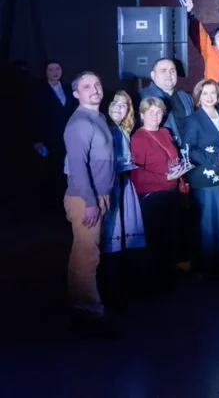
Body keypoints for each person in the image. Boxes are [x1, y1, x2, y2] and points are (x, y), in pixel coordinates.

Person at [63, 72, 115, 331]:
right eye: (86, 87)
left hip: (97, 197)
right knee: (88, 258)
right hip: (85, 199)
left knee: (81, 255)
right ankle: (93, 316)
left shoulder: (98, 118)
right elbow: (77, 167)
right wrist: (91, 202)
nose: (94, 89)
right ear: (76, 94)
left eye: (97, 84)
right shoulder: (80, 123)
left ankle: (79, 308)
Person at [183, 79, 219, 277]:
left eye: (213, 93)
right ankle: (206, 266)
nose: (209, 97)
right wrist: (215, 159)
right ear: (198, 97)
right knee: (206, 222)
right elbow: (189, 150)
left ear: (218, 95)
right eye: (204, 93)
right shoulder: (193, 119)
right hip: (203, 176)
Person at [130, 97, 187, 289]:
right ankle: (153, 283)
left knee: (170, 237)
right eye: (150, 112)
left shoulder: (165, 132)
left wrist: (180, 169)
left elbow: (172, 159)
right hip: (152, 196)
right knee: (155, 240)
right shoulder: (138, 138)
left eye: (159, 112)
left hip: (171, 193)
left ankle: (168, 277)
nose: (155, 116)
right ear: (142, 115)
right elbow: (136, 174)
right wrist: (166, 177)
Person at [102, 92, 146, 255]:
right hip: (109, 183)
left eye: (123, 105)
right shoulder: (103, 129)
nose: (118, 108)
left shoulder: (124, 130)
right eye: (115, 104)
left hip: (124, 182)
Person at [33, 60, 76, 196]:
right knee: (52, 170)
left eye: (57, 69)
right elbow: (35, 117)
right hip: (50, 138)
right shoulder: (40, 92)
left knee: (69, 169)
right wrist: (37, 140)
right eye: (50, 70)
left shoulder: (68, 89)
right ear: (45, 72)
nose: (55, 72)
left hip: (69, 137)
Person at [138, 58, 194, 146]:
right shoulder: (142, 97)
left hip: (188, 149)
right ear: (153, 75)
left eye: (172, 71)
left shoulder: (186, 97)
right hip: (159, 149)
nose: (169, 75)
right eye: (163, 71)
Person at [182, 0, 219, 81]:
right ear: (214, 40)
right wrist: (190, 13)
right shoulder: (210, 51)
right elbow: (200, 35)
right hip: (213, 88)